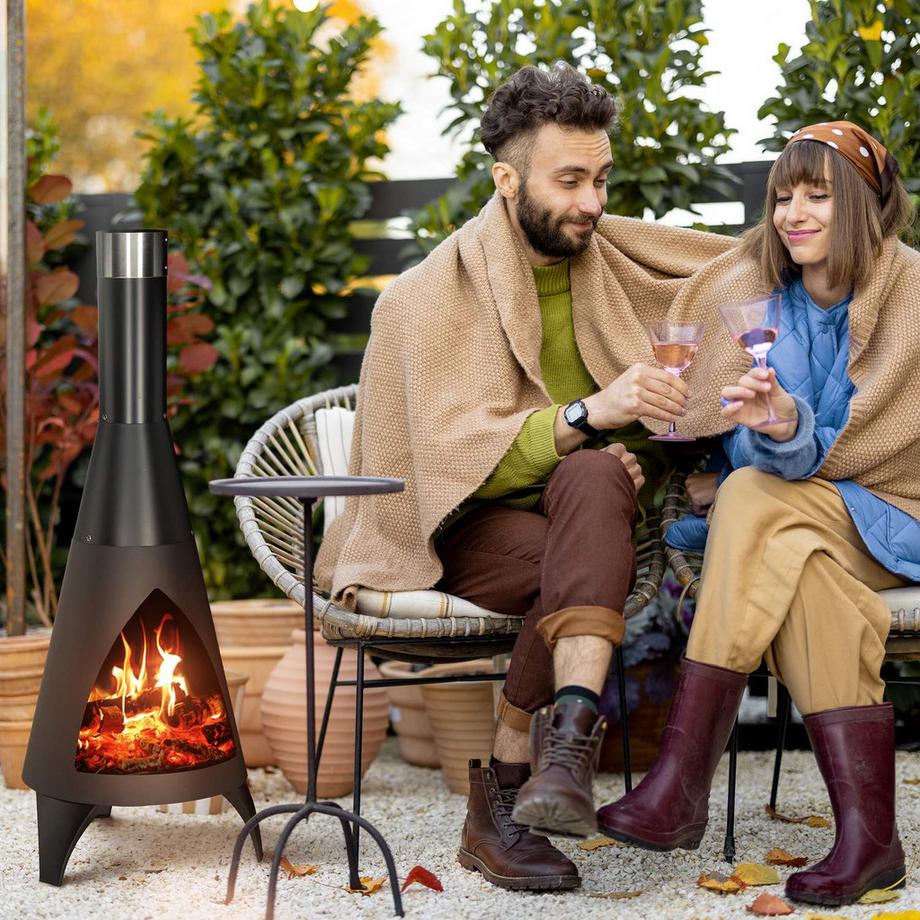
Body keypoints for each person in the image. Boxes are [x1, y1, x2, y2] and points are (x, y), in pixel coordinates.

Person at [315, 62, 734, 892]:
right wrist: (588, 418)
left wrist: (634, 449)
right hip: (461, 529)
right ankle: (526, 765)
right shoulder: (425, 298)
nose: (592, 202)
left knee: (593, 487)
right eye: (569, 179)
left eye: (602, 178)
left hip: (582, 518)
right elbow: (440, 462)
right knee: (587, 513)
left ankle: (547, 763)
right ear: (507, 179)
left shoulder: (616, 265)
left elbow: (736, 280)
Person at [596, 121, 918, 908]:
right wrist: (774, 428)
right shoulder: (767, 304)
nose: (792, 213)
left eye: (817, 195)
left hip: (900, 511)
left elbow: (885, 438)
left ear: (866, 206)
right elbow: (767, 452)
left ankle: (681, 784)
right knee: (801, 572)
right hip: (808, 523)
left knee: (748, 501)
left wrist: (785, 439)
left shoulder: (909, 291)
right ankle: (870, 845)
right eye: (782, 195)